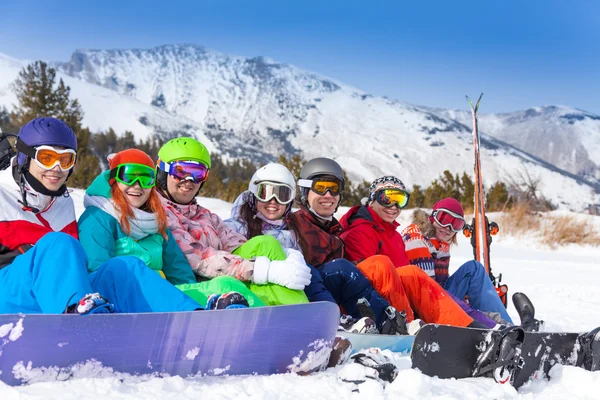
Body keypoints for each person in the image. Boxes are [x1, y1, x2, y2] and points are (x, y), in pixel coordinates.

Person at [0, 117, 198, 315]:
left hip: (54, 297)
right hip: (11, 292)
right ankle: (81, 325)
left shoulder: (61, 202)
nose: (57, 168)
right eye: (46, 158)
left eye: (65, 159)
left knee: (124, 267)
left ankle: (191, 318)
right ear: (24, 157)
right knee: (59, 243)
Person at [286, 158, 477, 333]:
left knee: (411, 274)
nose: (328, 195)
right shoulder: (295, 225)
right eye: (321, 188)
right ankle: (405, 326)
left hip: (354, 294)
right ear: (304, 191)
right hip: (321, 299)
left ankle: (471, 329)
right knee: (380, 265)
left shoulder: (335, 229)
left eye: (334, 189)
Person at [77, 148, 251, 310]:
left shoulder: (156, 221)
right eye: (129, 177)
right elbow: (98, 274)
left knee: (227, 284)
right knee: (127, 265)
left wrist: (200, 292)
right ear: (114, 179)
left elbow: (179, 273)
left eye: (145, 179)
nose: (137, 185)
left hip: (161, 296)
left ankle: (260, 322)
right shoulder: (97, 218)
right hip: (119, 298)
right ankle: (195, 315)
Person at [154, 138, 311, 306]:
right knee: (231, 284)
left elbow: (237, 244)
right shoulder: (158, 212)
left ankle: (298, 311)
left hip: (219, 275)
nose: (189, 180)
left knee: (266, 244)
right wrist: (259, 269)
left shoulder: (204, 215)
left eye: (198, 173)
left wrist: (287, 255)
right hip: (192, 284)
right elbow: (197, 257)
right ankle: (273, 319)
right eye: (181, 171)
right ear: (163, 172)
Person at [339, 176, 503, 328]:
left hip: (407, 298)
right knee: (415, 276)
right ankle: (482, 326)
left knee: (471, 271)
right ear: (372, 199)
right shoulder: (360, 232)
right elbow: (365, 282)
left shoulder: (393, 235)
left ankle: (491, 325)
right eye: (386, 199)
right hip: (389, 306)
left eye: (400, 201)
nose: (394, 207)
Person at [225, 163, 340, 306]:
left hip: (282, 296)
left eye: (282, 195)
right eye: (265, 193)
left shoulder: (293, 233)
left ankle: (325, 309)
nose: (273, 201)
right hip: (247, 288)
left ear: (289, 201)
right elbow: (223, 263)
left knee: (310, 271)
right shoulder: (235, 227)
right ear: (253, 195)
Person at [401, 196, 513, 324]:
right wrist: (474, 314)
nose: (448, 228)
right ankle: (500, 325)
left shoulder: (439, 241)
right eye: (444, 219)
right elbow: (427, 293)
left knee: (474, 269)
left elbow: (441, 284)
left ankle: (505, 325)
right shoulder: (416, 240)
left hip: (437, 294)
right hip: (423, 303)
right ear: (433, 216)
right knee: (473, 269)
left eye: (456, 224)